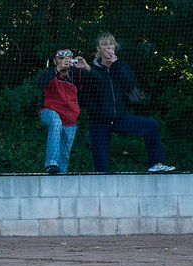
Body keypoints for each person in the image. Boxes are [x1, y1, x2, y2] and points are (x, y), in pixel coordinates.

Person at [82, 32, 175, 173]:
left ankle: (155, 164)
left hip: (120, 117)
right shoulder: (90, 69)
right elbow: (84, 96)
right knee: (100, 163)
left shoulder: (121, 65)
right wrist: (97, 112)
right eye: (105, 44)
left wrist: (115, 65)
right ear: (98, 49)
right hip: (99, 120)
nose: (109, 47)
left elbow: (130, 85)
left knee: (151, 125)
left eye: (111, 44)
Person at [37, 44, 96, 174]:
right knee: (55, 121)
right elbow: (40, 84)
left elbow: (99, 83)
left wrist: (87, 67)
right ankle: (51, 162)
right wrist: (58, 69)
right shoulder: (49, 72)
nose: (65, 60)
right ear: (54, 61)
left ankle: (60, 176)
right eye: (61, 57)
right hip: (49, 111)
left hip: (70, 118)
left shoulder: (77, 74)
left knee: (64, 156)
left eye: (68, 56)